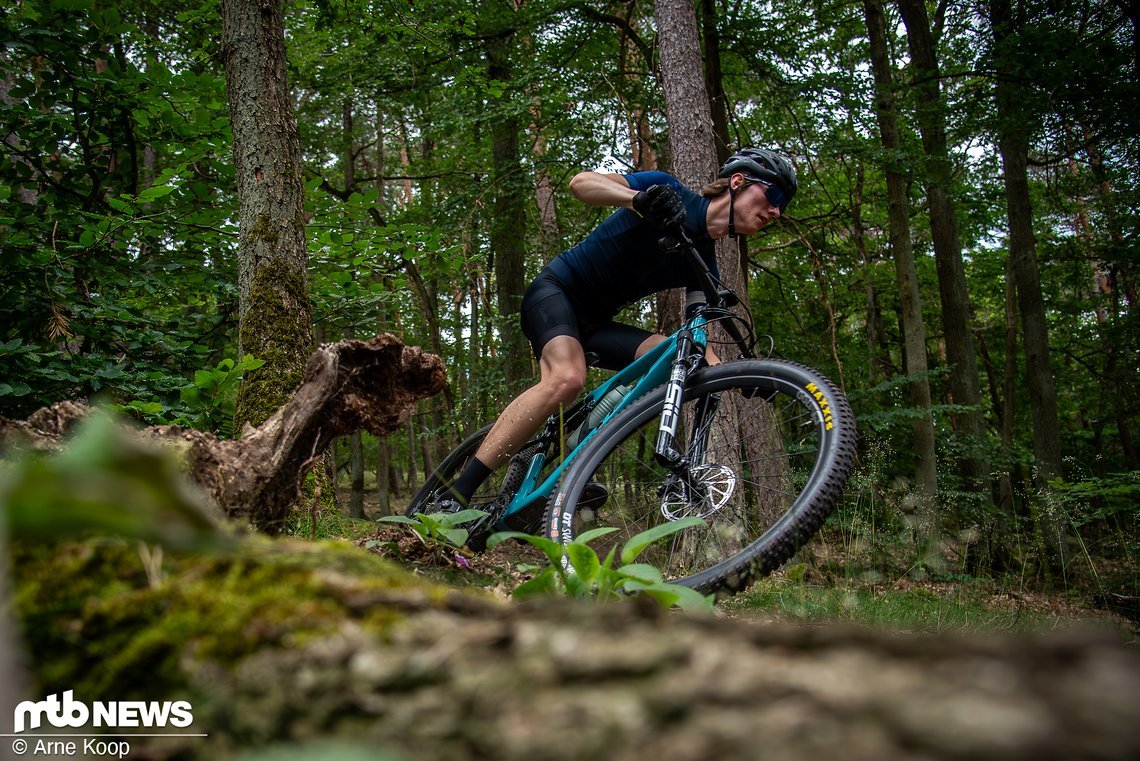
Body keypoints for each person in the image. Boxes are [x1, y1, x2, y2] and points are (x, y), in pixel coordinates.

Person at [436, 147, 797, 510]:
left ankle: (569, 462)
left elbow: (697, 337)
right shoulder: (666, 189)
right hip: (556, 292)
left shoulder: (703, 263)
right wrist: (638, 200)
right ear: (738, 182)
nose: (777, 211)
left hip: (596, 324)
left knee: (675, 357)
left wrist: (737, 375)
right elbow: (581, 184)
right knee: (567, 379)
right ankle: (454, 496)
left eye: (782, 204)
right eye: (774, 195)